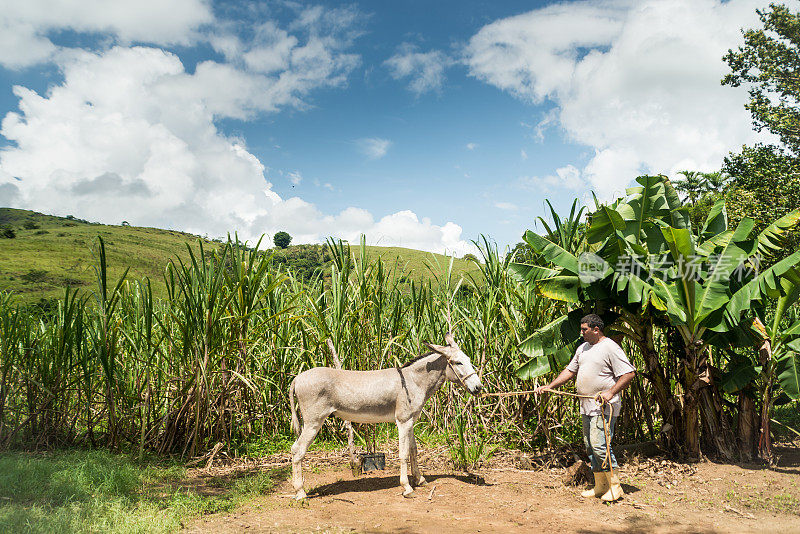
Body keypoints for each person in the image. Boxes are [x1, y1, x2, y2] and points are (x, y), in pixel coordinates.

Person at [534, 313, 635, 501]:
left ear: (596, 330)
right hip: (586, 406)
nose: (581, 333)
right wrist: (550, 386)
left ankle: (615, 486)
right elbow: (570, 370)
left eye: (584, 330)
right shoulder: (583, 348)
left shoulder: (610, 347)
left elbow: (628, 373)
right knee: (590, 446)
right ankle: (600, 485)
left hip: (604, 407)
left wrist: (610, 392)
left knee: (600, 445)